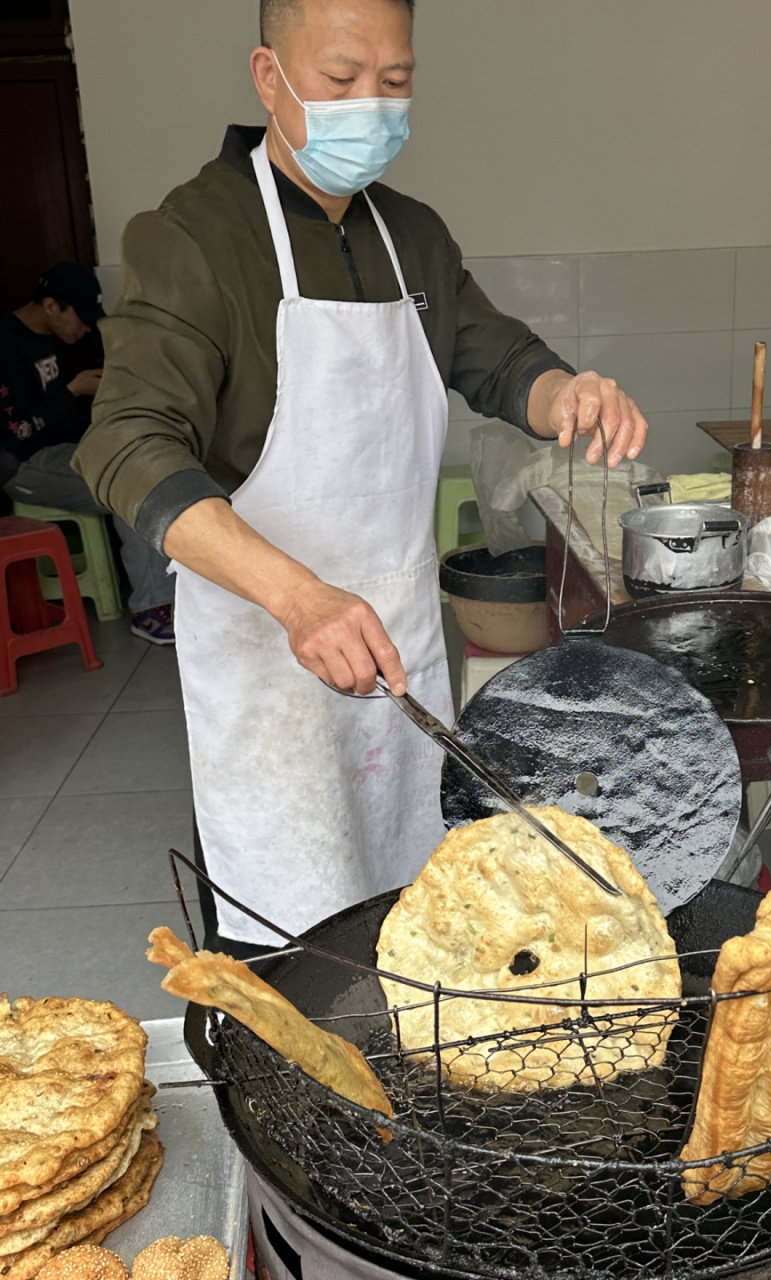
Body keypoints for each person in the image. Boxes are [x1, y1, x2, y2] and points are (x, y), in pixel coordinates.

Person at [74, 0, 649, 953]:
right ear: (270, 76)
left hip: (398, 644)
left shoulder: (412, 235)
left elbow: (498, 359)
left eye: (395, 83)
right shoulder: (194, 237)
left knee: (411, 926)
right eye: (341, 82)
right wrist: (299, 599)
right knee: (287, 944)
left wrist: (569, 395)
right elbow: (128, 441)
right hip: (269, 647)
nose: (370, 107)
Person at [1, 263, 176, 644]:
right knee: (126, 483)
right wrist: (72, 391)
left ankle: (176, 594)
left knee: (144, 456)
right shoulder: (5, 344)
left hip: (61, 452)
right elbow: (16, 433)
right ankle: (150, 608)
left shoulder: (54, 339)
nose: (83, 328)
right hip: (23, 467)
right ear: (51, 306)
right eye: (78, 317)